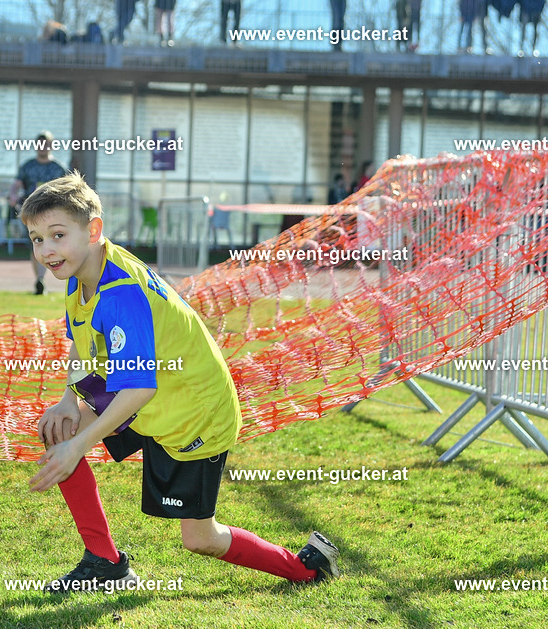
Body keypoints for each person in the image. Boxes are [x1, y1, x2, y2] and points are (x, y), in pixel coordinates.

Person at [22, 172, 341, 592]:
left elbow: (140, 387)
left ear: (94, 230)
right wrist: (69, 400)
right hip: (151, 392)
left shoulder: (121, 293)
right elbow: (85, 345)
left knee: (199, 538)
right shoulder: (83, 271)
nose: (46, 250)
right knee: (60, 428)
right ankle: (105, 563)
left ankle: (308, 568)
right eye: (36, 239)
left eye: (57, 235)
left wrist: (78, 447)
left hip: (194, 414)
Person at [9, 132, 68, 295]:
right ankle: (39, 279)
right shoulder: (28, 166)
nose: (43, 147)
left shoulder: (58, 168)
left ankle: (41, 279)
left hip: (52, 213)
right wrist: (13, 195)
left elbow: (68, 188)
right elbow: (16, 184)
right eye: (40, 144)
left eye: (46, 144)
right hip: (32, 212)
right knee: (36, 243)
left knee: (47, 243)